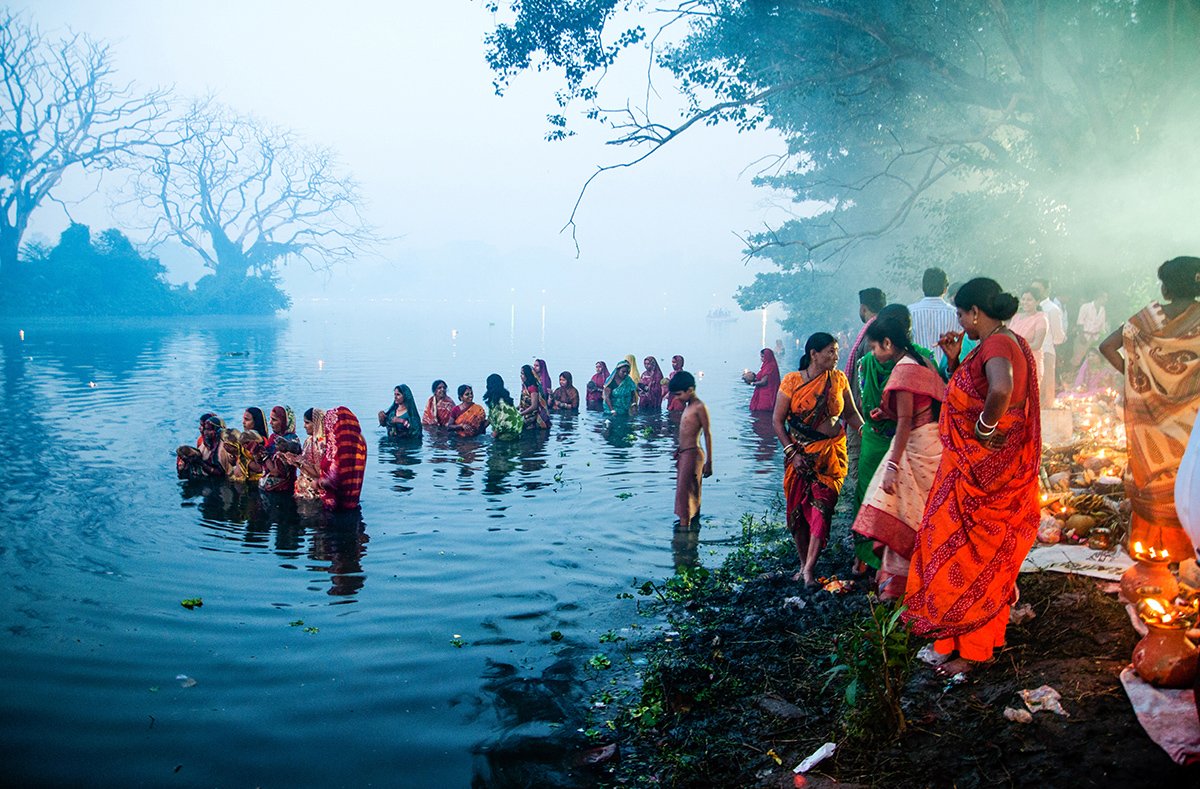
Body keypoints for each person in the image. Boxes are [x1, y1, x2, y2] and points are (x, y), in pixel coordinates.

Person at [904, 277, 1040, 674]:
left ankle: (972, 651)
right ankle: (955, 640)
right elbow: (978, 390)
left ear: (976, 312)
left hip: (984, 473)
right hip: (977, 473)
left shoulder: (997, 343)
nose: (961, 323)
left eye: (962, 315)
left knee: (971, 556)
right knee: (968, 555)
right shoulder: (999, 342)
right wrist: (952, 362)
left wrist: (981, 432)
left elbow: (1000, 391)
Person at [1100, 256, 1200, 560]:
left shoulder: (1147, 318)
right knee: (1189, 475)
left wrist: (1138, 379)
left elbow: (1107, 346)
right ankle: (1189, 552)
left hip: (1148, 415)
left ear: (1166, 289)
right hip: (1190, 415)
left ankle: (1156, 552)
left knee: (1152, 474)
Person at [851, 308, 946, 600]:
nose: (871, 352)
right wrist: (888, 410)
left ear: (888, 344)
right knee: (925, 514)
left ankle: (901, 588)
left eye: (875, 346)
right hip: (933, 442)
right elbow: (926, 405)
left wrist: (892, 464)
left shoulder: (903, 369)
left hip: (914, 446)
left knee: (898, 512)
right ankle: (927, 578)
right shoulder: (924, 360)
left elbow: (906, 420)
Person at [773, 332, 865, 585]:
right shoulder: (792, 381)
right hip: (799, 456)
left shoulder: (839, 379)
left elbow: (851, 415)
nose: (836, 356)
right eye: (830, 352)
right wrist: (792, 453)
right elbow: (777, 421)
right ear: (814, 354)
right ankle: (803, 564)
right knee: (798, 512)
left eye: (836, 351)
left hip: (830, 455)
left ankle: (810, 569)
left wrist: (868, 432)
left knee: (823, 509)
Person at [669, 371, 713, 528]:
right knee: (689, 492)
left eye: (679, 394)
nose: (677, 398)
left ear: (690, 390)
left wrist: (710, 461)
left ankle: (683, 535)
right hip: (685, 453)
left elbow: (707, 434)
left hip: (693, 455)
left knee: (685, 495)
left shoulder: (699, 407)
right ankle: (692, 530)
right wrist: (679, 449)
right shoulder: (689, 407)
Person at [846, 287, 888, 414]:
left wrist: (861, 402)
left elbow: (869, 371)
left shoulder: (873, 332)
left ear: (863, 307)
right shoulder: (884, 328)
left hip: (866, 408)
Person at [319, 406, 367, 511]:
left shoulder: (339, 451)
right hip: (352, 504)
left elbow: (334, 480)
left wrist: (317, 483)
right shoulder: (357, 444)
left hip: (335, 508)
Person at [908, 268, 958, 366]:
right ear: (946, 289)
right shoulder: (956, 314)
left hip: (919, 371)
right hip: (949, 373)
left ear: (922, 287)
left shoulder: (909, 312)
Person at [1031, 277, 1066, 407]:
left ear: (1046, 291)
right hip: (1029, 352)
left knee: (1045, 389)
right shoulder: (1030, 307)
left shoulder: (1052, 309)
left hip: (1046, 352)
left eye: (1037, 289)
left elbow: (1058, 336)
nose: (1034, 292)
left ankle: (1045, 418)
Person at [281, 407, 326, 500]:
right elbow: (305, 464)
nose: (304, 426)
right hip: (303, 491)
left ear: (316, 424)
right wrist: (293, 459)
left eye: (307, 423)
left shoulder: (320, 444)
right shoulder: (309, 440)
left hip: (313, 493)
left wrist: (298, 460)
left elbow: (319, 474)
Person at [1007, 289, 1049, 383]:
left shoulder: (1041, 319)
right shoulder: (1016, 317)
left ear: (1037, 302)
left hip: (1031, 361)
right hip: (1014, 360)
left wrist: (1016, 346)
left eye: (1029, 300)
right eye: (1023, 299)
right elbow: (1009, 337)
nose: (1025, 302)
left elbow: (1037, 344)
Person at [259, 405, 299, 493]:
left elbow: (276, 472)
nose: (270, 422)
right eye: (270, 419)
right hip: (268, 489)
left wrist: (262, 454)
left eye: (274, 420)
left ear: (284, 422)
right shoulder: (273, 437)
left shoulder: (291, 441)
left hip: (283, 490)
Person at [177, 414, 225, 479]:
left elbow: (222, 472)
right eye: (205, 428)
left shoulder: (223, 447)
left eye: (209, 429)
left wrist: (200, 462)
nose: (205, 432)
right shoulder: (204, 443)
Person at [1072, 290, 1109, 367]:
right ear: (1100, 298)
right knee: (1077, 359)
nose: (1106, 300)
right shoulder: (1085, 307)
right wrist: (1081, 336)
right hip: (1084, 336)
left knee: (1091, 359)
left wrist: (1102, 336)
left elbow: (1102, 326)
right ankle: (1071, 376)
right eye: (1105, 298)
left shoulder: (1103, 309)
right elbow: (1080, 322)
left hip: (1095, 338)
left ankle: (1087, 377)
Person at [483, 373, 523, 440]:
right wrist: (481, 428)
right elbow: (491, 417)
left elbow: (502, 421)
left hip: (508, 435)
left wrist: (492, 436)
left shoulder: (502, 402)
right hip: (508, 432)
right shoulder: (494, 400)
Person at [518, 364, 549, 429]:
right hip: (525, 415)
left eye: (523, 374)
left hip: (532, 418)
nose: (521, 376)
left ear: (527, 375)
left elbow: (534, 406)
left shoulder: (533, 388)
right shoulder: (526, 388)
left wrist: (521, 414)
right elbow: (523, 404)